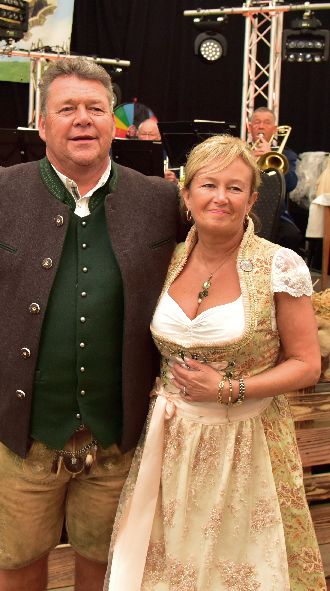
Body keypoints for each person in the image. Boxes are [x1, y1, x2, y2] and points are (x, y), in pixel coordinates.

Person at [0, 57, 182, 591]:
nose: (82, 119)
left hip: (120, 432)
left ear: (112, 123)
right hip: (22, 431)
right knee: (17, 564)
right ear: (42, 125)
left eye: (95, 108)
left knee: (107, 567)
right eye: (67, 108)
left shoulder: (157, 199)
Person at [105, 134, 325, 591]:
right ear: (186, 195)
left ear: (252, 200)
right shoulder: (166, 260)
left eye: (234, 187)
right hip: (171, 442)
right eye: (208, 185)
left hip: (247, 444)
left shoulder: (279, 265)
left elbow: (307, 364)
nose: (220, 197)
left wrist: (230, 389)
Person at [249, 107, 303, 253]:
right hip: (245, 210)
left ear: (274, 129)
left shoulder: (286, 155)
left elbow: (291, 184)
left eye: (267, 123)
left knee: (291, 235)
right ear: (249, 127)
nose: (261, 126)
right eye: (257, 122)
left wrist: (269, 155)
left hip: (276, 214)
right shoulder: (241, 151)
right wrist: (249, 161)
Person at [138, 118, 178, 184]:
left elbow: (182, 181)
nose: (147, 139)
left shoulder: (170, 155)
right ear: (137, 134)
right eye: (143, 134)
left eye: (151, 134)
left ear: (159, 136)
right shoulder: (129, 153)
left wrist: (174, 181)